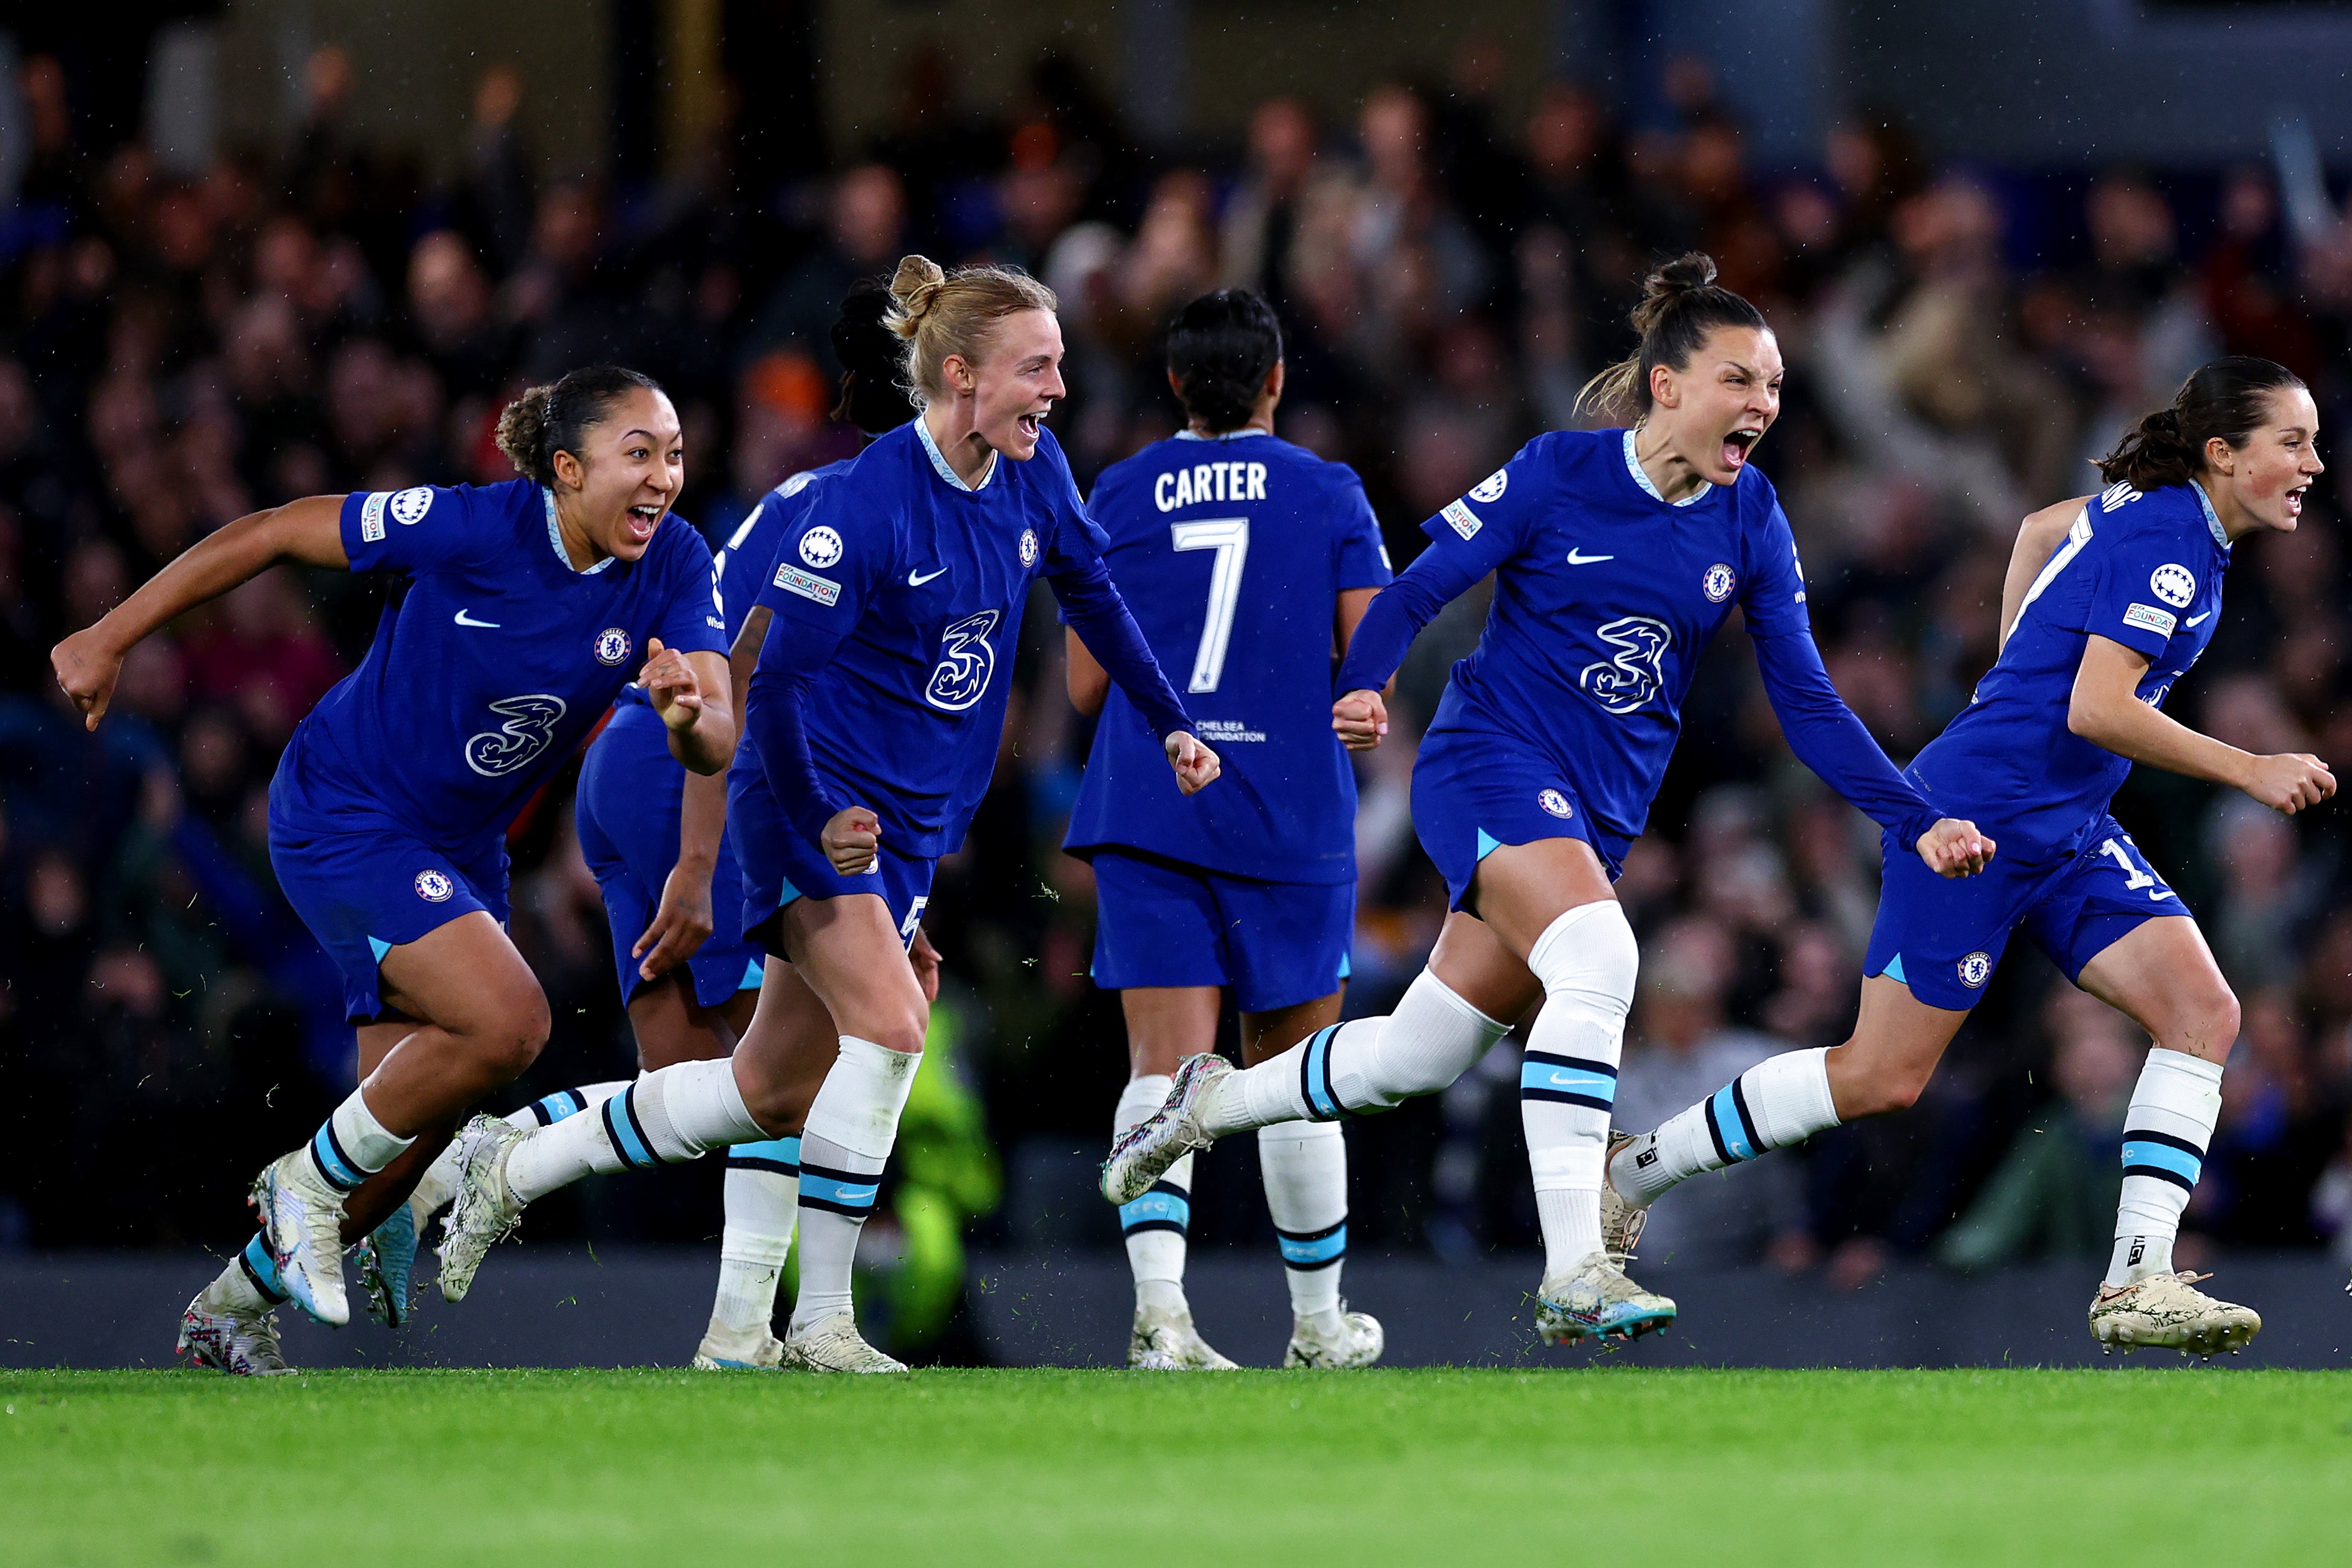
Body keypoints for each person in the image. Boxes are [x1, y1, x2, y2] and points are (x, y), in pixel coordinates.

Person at [1102, 253, 1990, 1348]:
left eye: (1772, 386)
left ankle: (1211, 1103)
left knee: (1415, 1059)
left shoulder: (1749, 515)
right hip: (1487, 764)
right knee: (1604, 959)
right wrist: (1364, 683)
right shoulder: (1557, 472)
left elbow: (1805, 701)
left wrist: (1911, 813)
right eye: (1739, 381)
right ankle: (1576, 1262)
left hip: (1592, 814)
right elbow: (1420, 588)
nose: (1763, 405)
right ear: (1666, 386)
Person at [439, 256, 1218, 1372]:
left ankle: (527, 1168)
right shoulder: (858, 510)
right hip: (773, 787)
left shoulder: (1033, 477)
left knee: (765, 1090)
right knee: (894, 1029)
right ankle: (817, 1324)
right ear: (958, 376)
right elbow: (767, 691)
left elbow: (1092, 590)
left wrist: (1173, 721)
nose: (1060, 388)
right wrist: (779, 838)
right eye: (1036, 367)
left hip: (876, 812)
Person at [1606, 357, 2332, 1357]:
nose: (2314, 464)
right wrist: (2248, 768)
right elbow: (2097, 706)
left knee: (2203, 1011)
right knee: (1879, 1077)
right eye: (2291, 443)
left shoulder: (2157, 508)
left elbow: (2040, 533)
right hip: (1974, 826)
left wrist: (2009, 675)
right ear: (2223, 453)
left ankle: (2137, 1283)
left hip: (2067, 828)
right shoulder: (2171, 539)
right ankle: (1634, 1173)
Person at [51, 366, 733, 1374]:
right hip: (346, 812)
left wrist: (686, 718)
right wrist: (109, 636)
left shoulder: (675, 560)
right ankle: (301, 1190)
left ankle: (229, 1310)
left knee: (402, 1147)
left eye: (674, 453)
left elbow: (717, 734)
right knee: (512, 1023)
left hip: (461, 850)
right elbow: (278, 528)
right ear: (566, 467)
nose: (665, 477)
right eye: (639, 452)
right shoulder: (472, 527)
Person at [556, 284, 927, 1368]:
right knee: (768, 1075)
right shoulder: (866, 507)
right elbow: (748, 682)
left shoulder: (857, 491)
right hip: (693, 771)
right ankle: (513, 1160)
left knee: (705, 1078)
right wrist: (708, 866)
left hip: (656, 764)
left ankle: (734, 1329)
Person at [1067, 290, 1392, 1370]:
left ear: (1173, 386)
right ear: (1277, 380)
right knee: (1297, 1073)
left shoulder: (1116, 490)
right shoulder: (1329, 490)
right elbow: (1367, 664)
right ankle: (1317, 1327)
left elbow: (1079, 686)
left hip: (1153, 800)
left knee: (1162, 1069)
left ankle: (1162, 1320)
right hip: (1288, 811)